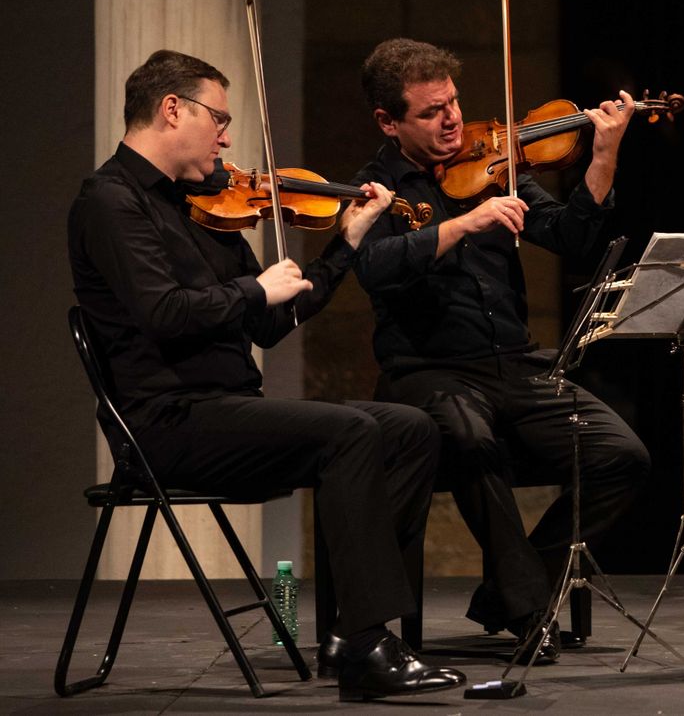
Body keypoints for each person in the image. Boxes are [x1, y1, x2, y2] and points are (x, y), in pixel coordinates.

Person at [68, 50, 462, 702]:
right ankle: (367, 649)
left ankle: (349, 631)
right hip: (167, 423)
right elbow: (164, 313)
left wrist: (345, 244)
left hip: (226, 411)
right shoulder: (110, 203)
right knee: (349, 433)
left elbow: (272, 322)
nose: (226, 138)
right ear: (173, 110)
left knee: (409, 428)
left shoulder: (202, 202)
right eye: (218, 119)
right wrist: (254, 289)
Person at [349, 38, 651, 658]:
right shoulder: (374, 188)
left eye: (454, 103)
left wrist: (603, 155)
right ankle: (528, 609)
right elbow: (376, 267)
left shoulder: (494, 165)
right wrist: (463, 223)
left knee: (623, 456)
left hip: (515, 366)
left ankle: (510, 587)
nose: (453, 121)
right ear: (388, 121)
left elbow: (572, 236)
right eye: (431, 112)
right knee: (471, 440)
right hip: (428, 372)